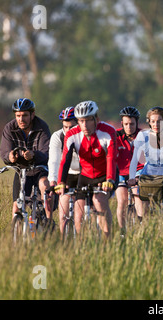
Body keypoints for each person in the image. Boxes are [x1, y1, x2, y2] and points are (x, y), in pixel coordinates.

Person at [55, 100, 117, 239]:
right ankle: (81, 245)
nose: (84, 125)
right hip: (86, 175)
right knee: (78, 214)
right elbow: (65, 159)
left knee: (99, 201)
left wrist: (109, 179)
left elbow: (111, 158)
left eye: (88, 120)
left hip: (105, 175)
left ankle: (108, 241)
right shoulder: (72, 134)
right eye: (81, 121)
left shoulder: (107, 131)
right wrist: (61, 182)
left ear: (96, 119)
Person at [0, 98, 52, 221]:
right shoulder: (9, 128)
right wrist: (10, 157)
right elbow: (4, 151)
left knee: (45, 187)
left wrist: (34, 154)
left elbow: (46, 152)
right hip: (22, 171)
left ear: (32, 115)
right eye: (18, 115)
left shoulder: (42, 127)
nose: (21, 119)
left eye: (24, 115)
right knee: (16, 206)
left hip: (40, 169)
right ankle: (16, 234)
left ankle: (49, 222)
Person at [128, 107, 163, 219]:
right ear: (148, 122)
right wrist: (131, 177)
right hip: (149, 173)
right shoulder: (143, 135)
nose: (156, 124)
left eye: (159, 121)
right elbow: (135, 158)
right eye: (152, 121)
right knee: (142, 200)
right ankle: (142, 223)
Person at [48, 106, 80, 234]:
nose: (67, 131)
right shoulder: (57, 136)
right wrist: (53, 181)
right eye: (65, 127)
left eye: (71, 127)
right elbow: (54, 161)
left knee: (82, 212)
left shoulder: (83, 135)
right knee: (63, 215)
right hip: (67, 174)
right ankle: (64, 243)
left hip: (84, 173)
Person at [115, 106, 144, 230]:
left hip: (138, 170)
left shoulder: (143, 136)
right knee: (122, 200)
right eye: (126, 124)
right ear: (122, 123)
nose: (129, 127)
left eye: (132, 124)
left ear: (137, 123)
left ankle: (142, 225)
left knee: (137, 194)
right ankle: (122, 231)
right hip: (121, 171)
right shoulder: (115, 136)